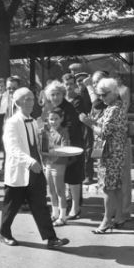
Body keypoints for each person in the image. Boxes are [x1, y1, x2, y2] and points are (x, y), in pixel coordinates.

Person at [0, 87, 69, 248]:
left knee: (40, 205)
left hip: (36, 171)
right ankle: (4, 233)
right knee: (11, 206)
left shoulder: (33, 122)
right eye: (27, 99)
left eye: (32, 98)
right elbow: (12, 148)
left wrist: (50, 151)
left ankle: (51, 238)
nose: (32, 102)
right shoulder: (12, 123)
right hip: (21, 170)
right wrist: (29, 162)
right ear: (17, 103)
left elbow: (37, 145)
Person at [80, 78, 127, 233]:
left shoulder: (114, 109)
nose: (101, 98)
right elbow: (102, 124)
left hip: (110, 153)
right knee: (115, 186)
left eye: (104, 94)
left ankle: (107, 221)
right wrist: (93, 121)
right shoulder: (112, 107)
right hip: (111, 152)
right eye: (99, 94)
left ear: (113, 92)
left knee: (107, 188)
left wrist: (88, 123)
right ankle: (119, 217)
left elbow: (104, 132)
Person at [43, 81, 85, 220]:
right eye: (53, 94)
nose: (55, 97)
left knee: (73, 178)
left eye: (58, 94)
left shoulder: (68, 108)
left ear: (63, 94)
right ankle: (63, 208)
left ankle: (75, 208)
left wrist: (60, 145)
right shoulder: (53, 107)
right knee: (62, 180)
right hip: (59, 148)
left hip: (72, 147)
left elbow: (71, 128)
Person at [43, 107, 70, 227]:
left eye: (56, 119)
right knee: (51, 190)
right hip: (49, 163)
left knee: (60, 190)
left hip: (59, 164)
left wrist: (51, 150)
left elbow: (64, 149)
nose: (53, 121)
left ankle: (63, 216)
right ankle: (54, 213)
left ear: (61, 119)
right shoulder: (47, 131)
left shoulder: (64, 132)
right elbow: (44, 149)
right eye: (51, 119)